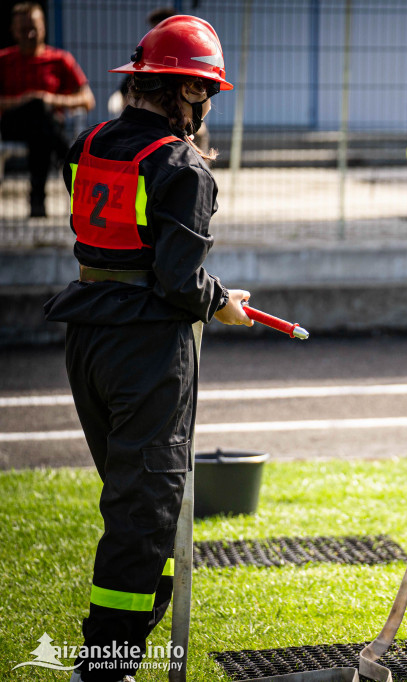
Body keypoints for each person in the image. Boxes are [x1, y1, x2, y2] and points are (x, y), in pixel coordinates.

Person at [42, 15, 253, 681]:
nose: (208, 107)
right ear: (182, 90)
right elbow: (180, 280)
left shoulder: (90, 142)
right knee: (146, 507)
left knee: (132, 499)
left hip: (87, 336)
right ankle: (107, 664)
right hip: (147, 349)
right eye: (206, 93)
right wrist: (223, 302)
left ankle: (119, 646)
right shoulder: (180, 165)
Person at [0, 1, 94, 217]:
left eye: (35, 28)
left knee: (40, 128)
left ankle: (37, 202)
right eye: (24, 30)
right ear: (13, 31)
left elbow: (87, 99)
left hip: (46, 126)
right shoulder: (4, 60)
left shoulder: (59, 59)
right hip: (12, 124)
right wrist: (27, 101)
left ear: (44, 28)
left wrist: (50, 99)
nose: (30, 34)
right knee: (38, 113)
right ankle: (71, 159)